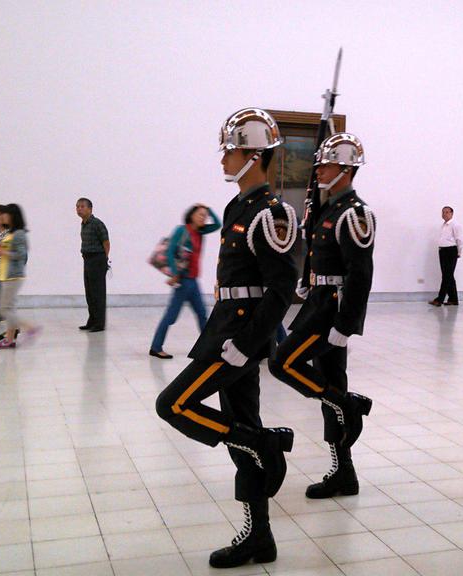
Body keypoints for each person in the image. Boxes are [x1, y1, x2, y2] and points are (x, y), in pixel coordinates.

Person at [155, 108, 297, 569]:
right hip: (225, 326)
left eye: (230, 152)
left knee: (173, 404)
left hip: (238, 336)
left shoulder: (272, 213)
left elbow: (281, 290)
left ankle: (264, 444)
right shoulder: (238, 207)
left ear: (254, 155)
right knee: (241, 431)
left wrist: (248, 345)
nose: (223, 160)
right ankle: (259, 535)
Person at [270, 133, 374, 499]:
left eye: (327, 164)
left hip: (331, 310)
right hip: (318, 301)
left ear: (346, 169)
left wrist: (347, 325)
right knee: (331, 385)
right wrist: (306, 279)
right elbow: (316, 249)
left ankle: (348, 404)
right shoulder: (329, 208)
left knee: (282, 363)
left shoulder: (355, 213)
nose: (319, 170)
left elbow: (360, 274)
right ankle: (344, 471)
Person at [149, 203, 221, 358]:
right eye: (200, 214)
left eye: (205, 216)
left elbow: (217, 225)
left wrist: (209, 210)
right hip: (183, 280)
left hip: (193, 281)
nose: (203, 218)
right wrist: (174, 274)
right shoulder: (181, 231)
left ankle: (208, 347)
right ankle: (156, 347)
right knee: (171, 316)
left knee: (202, 314)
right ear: (191, 215)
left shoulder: (200, 232)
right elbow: (170, 252)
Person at [0, 204, 39, 348]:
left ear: (13, 216)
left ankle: (30, 328)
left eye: (5, 214)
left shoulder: (19, 234)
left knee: (3, 308)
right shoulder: (10, 233)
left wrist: (1, 251)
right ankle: (10, 340)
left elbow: (21, 255)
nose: (1, 217)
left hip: (13, 276)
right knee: (7, 308)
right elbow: (5, 250)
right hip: (5, 275)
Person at [77, 198, 110, 332]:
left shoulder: (97, 224)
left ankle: (99, 323)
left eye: (82, 206)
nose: (79, 209)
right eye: (77, 207)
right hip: (87, 259)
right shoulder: (84, 224)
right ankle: (92, 320)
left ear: (90, 209)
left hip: (97, 259)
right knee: (89, 292)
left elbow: (106, 242)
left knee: (98, 293)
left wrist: (104, 259)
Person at [429, 206, 462, 306]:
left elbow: (459, 239)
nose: (444, 214)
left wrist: (459, 252)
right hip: (443, 251)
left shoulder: (455, 225)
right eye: (443, 212)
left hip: (450, 251)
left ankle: (440, 299)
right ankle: (453, 299)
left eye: (447, 212)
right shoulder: (444, 225)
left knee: (447, 276)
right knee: (448, 275)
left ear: (452, 213)